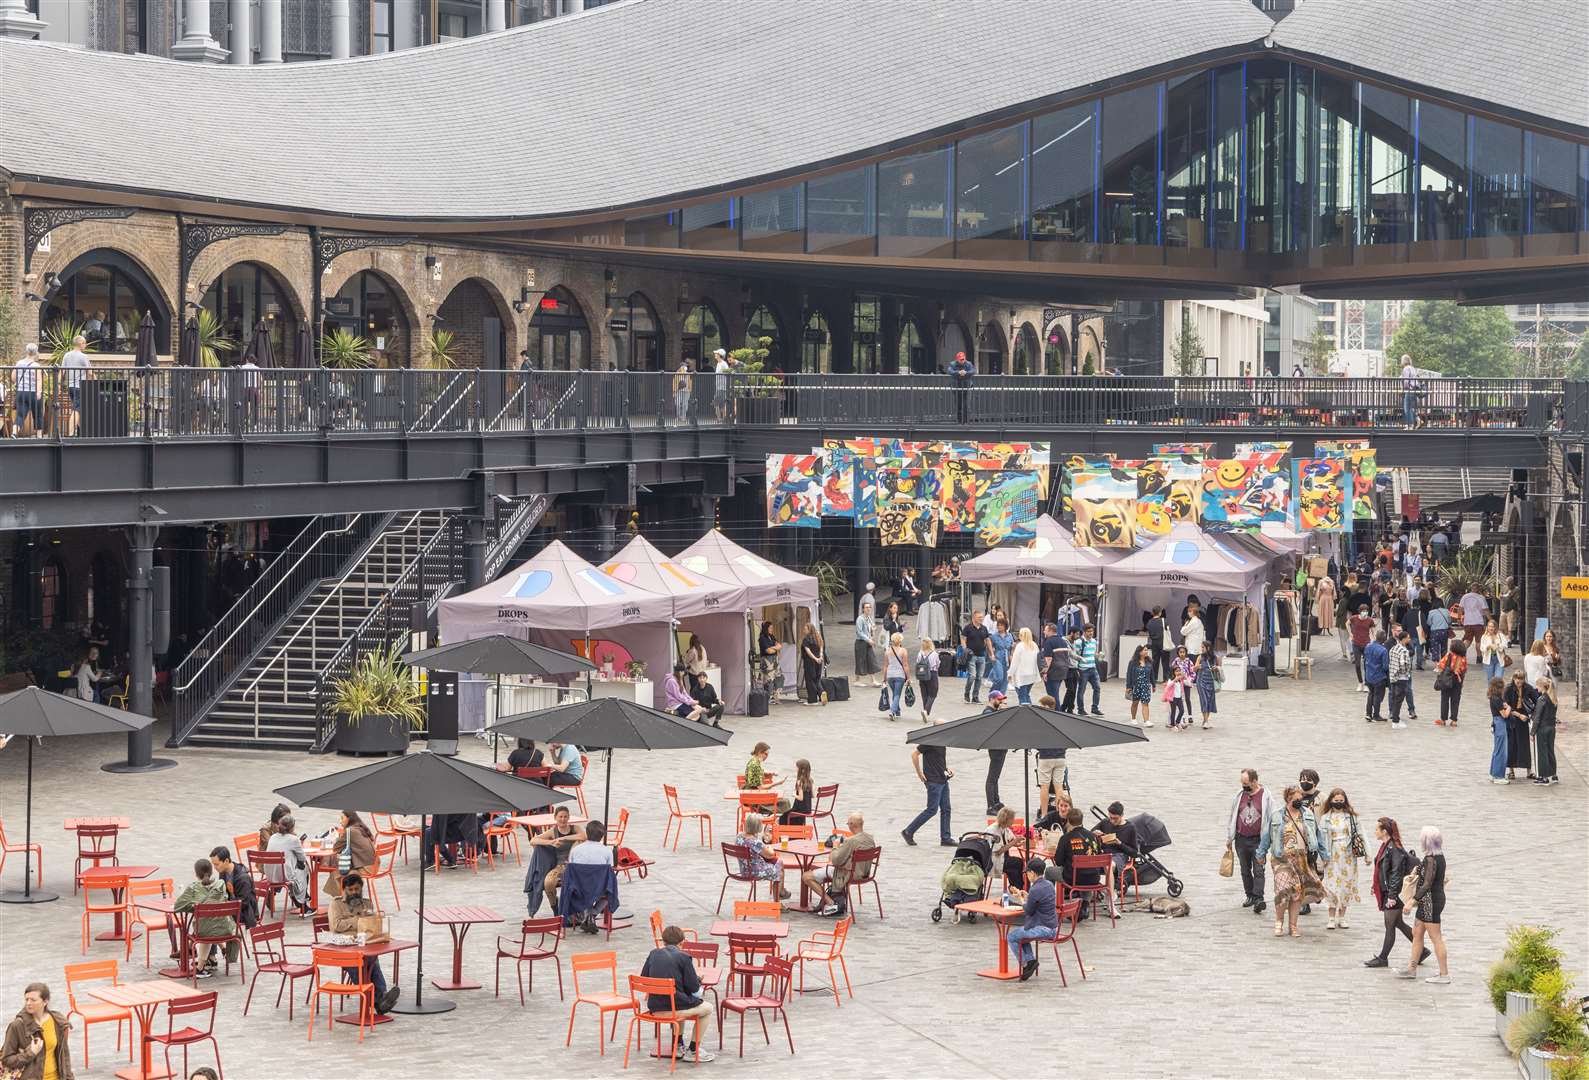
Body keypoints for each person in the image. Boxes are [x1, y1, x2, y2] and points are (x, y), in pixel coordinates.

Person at [1256, 785, 1325, 938]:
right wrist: (1260, 854)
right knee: (1282, 889)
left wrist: (1324, 855)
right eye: (1297, 799)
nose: (1300, 801)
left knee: (1297, 893)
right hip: (1282, 858)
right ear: (1288, 799)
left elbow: (1318, 835)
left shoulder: (1307, 814)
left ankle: (1293, 926)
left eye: (1301, 799)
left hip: (1301, 858)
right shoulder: (1276, 816)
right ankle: (1279, 922)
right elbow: (1267, 837)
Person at [640, 925, 715, 1063]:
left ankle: (678, 1044)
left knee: (682, 1003)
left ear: (663, 942)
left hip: (655, 1008)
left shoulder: (653, 954)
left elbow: (644, 979)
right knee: (707, 1008)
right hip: (674, 1009)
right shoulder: (684, 957)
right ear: (682, 942)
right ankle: (693, 1050)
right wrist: (697, 980)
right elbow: (694, 989)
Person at [328, 872, 401, 1012]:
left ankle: (381, 998)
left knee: (372, 961)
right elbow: (336, 925)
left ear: (361, 888)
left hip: (364, 945)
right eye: (350, 890)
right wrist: (359, 921)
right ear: (344, 890)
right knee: (358, 965)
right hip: (344, 948)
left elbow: (372, 925)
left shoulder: (367, 903)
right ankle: (378, 1001)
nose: (354, 893)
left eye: (357, 889)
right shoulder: (336, 904)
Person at [1365, 818, 1430, 970]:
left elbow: (1395, 873)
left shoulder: (1394, 849)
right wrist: (1376, 885)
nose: (1375, 831)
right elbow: (1382, 870)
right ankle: (1422, 951)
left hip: (1394, 893)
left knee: (1390, 925)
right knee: (1398, 923)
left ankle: (1383, 958)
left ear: (1384, 832)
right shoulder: (1386, 846)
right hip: (1389, 890)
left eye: (1377, 829)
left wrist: (1392, 896)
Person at [1398, 826, 1450, 984]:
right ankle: (1411, 968)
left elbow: (1427, 884)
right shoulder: (1438, 857)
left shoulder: (1431, 860)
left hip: (1430, 902)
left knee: (1436, 938)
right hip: (1428, 902)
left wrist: (1411, 901)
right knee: (1417, 933)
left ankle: (1444, 975)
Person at [804, 812, 875, 917]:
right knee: (826, 871)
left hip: (847, 874)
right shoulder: (870, 839)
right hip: (864, 873)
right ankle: (833, 899)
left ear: (852, 825)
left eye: (848, 824)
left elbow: (836, 860)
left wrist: (835, 846)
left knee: (806, 876)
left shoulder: (851, 841)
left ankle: (831, 902)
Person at [174, 858, 235, 977]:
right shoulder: (221, 884)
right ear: (212, 871)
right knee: (211, 921)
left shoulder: (193, 888)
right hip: (225, 929)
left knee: (206, 926)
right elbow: (223, 899)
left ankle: (200, 968)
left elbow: (178, 906)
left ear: (196, 874)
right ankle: (221, 949)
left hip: (204, 931)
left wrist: (195, 909)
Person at [1, 982, 74, 1080]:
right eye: (26, 999)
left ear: (45, 1001)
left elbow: (64, 1056)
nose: (28, 1003)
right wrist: (30, 1053)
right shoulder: (17, 1026)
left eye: (33, 1000)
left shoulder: (57, 1021)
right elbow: (6, 1059)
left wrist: (69, 1077)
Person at [1227, 768, 1274, 916]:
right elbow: (1232, 815)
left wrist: (1271, 839)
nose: (1243, 785)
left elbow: (1272, 817)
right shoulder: (1239, 795)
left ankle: (1259, 897)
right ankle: (1250, 895)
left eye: (1246, 783)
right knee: (1245, 870)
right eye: (1242, 782)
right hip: (1241, 839)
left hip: (1258, 840)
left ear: (1254, 781)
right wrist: (1229, 838)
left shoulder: (1266, 796)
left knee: (1259, 869)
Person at [1005, 857, 1058, 982]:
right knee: (1022, 934)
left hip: (1043, 928)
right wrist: (1029, 896)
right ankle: (1030, 961)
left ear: (1032, 873)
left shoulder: (1035, 888)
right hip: (1052, 926)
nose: (1027, 875)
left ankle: (1026, 964)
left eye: (1027, 873)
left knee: (1012, 937)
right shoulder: (1049, 884)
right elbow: (1041, 902)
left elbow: (1028, 910)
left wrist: (1021, 899)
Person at [1315, 789, 1361, 930]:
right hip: (1332, 854)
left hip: (1348, 855)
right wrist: (1320, 861)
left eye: (1341, 801)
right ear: (1331, 801)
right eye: (1336, 801)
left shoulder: (1351, 817)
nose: (1339, 803)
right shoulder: (1325, 818)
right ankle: (1331, 917)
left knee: (1346, 885)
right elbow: (1321, 841)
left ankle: (1342, 917)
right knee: (1331, 885)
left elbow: (1360, 834)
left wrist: (1368, 854)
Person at [902, 724, 954, 847]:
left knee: (946, 809)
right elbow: (914, 754)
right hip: (933, 781)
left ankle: (945, 838)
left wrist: (946, 768)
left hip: (942, 779)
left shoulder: (943, 741)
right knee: (932, 809)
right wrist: (920, 773)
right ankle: (908, 831)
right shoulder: (929, 741)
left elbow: (939, 758)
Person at [528, 805, 581, 913]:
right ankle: (554, 906)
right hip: (560, 866)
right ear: (555, 818)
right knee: (548, 883)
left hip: (576, 865)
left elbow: (583, 836)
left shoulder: (575, 828)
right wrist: (551, 842)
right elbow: (533, 841)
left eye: (565, 816)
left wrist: (564, 838)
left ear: (569, 817)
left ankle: (575, 908)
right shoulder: (553, 831)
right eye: (560, 816)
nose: (563, 819)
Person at [1055, 808, 1103, 916]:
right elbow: (1098, 855)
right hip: (1094, 878)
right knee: (1086, 871)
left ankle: (1050, 903)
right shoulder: (1093, 836)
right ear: (1082, 820)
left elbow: (1058, 861)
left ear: (1068, 821)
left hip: (1074, 878)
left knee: (1049, 872)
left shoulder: (1066, 838)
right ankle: (1085, 904)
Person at [735, 813, 790, 900]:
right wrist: (769, 847)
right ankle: (778, 899)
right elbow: (770, 855)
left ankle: (782, 891)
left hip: (744, 869)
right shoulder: (755, 842)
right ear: (758, 827)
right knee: (779, 867)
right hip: (755, 871)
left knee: (779, 862)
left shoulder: (739, 837)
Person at [265, 815, 312, 916]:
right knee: (304, 869)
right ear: (292, 827)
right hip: (284, 875)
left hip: (270, 874)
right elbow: (302, 858)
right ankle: (302, 903)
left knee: (291, 864)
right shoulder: (293, 839)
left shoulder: (273, 837)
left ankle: (286, 892)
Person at [326, 811, 377, 898]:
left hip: (365, 868)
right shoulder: (361, 827)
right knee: (339, 869)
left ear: (349, 819)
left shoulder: (350, 831)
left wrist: (340, 836)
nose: (340, 821)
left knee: (337, 872)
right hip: (373, 865)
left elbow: (336, 848)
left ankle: (342, 899)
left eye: (342, 818)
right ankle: (342, 897)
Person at [209, 847, 258, 930]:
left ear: (226, 861)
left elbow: (243, 903)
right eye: (213, 864)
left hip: (246, 912)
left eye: (216, 864)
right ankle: (216, 941)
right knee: (208, 914)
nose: (215, 867)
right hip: (231, 907)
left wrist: (225, 905)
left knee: (214, 919)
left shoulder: (243, 878)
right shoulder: (223, 872)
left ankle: (218, 941)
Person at [1502, 670, 1537, 780]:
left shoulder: (1527, 688)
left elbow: (1536, 700)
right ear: (1514, 679)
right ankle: (1511, 771)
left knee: (1524, 744)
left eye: (1521, 680)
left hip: (1524, 718)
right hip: (1512, 718)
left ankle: (1529, 770)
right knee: (1512, 744)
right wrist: (1518, 715)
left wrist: (1532, 714)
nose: (1519, 682)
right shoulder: (1508, 689)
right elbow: (1505, 705)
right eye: (1518, 680)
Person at [1096, 801, 1139, 888]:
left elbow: (1134, 853)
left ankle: (1110, 893)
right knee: (1084, 862)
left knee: (1108, 865)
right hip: (1103, 852)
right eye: (1110, 817)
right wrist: (1096, 833)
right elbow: (1089, 833)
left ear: (1122, 815)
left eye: (1115, 818)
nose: (1112, 821)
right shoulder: (1105, 822)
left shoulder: (1130, 827)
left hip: (1119, 855)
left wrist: (1120, 843)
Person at [1532, 676, 1559, 786]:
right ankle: (1553, 774)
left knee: (1541, 753)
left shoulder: (1542, 699)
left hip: (1542, 729)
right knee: (1550, 751)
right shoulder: (1553, 698)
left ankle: (1543, 777)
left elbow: (1537, 717)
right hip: (1551, 728)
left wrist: (1532, 732)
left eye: (1537, 686)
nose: (1536, 688)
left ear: (1542, 686)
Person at [960, 610, 992, 704]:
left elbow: (987, 640)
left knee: (979, 677)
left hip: (982, 655)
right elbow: (963, 639)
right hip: (971, 656)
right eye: (979, 617)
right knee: (972, 676)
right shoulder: (968, 628)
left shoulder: (984, 628)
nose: (981, 619)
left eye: (982, 617)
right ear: (974, 618)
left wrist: (991, 653)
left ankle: (975, 697)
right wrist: (965, 649)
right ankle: (967, 693)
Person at [12, 344, 43, 438]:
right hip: (33, 392)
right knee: (37, 414)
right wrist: (39, 392)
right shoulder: (36, 365)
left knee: (20, 415)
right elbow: (38, 380)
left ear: (26, 351)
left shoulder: (19, 363)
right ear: (36, 353)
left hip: (21, 392)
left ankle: (14, 432)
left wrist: (19, 383)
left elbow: (13, 377)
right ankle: (39, 436)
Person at [1435, 639, 1468, 727]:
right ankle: (1454, 720)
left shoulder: (1449, 655)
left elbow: (1441, 665)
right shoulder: (1463, 658)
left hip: (1447, 680)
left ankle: (1443, 719)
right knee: (1455, 700)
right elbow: (1464, 670)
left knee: (1444, 699)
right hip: (1458, 680)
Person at [1386, 629, 1414, 728]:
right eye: (1408, 637)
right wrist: (1407, 673)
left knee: (1394, 698)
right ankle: (1396, 721)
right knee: (1399, 699)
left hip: (1393, 676)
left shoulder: (1393, 648)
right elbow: (1403, 665)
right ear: (1404, 639)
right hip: (1401, 678)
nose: (1409, 639)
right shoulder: (1404, 651)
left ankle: (1394, 717)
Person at [1486, 677, 1511, 784]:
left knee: (1497, 749)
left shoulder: (1493, 698)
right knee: (1502, 751)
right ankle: (1498, 776)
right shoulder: (1497, 699)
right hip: (1500, 722)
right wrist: (1509, 707)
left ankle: (1493, 773)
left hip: (1496, 722)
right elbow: (1505, 715)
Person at [1039, 621, 1070, 706]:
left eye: (1045, 630)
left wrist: (1045, 672)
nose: (1044, 632)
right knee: (1055, 693)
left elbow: (1048, 659)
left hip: (1053, 671)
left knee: (1052, 696)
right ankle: (1057, 712)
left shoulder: (1048, 642)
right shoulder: (1063, 641)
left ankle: (1056, 713)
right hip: (1063, 671)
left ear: (1050, 631)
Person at [1362, 630, 1389, 723]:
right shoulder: (1383, 650)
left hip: (1369, 675)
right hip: (1379, 676)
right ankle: (1376, 715)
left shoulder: (1368, 646)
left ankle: (1368, 713)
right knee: (1377, 696)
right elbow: (1385, 666)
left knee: (1371, 694)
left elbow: (1365, 660)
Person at [1164, 645, 1194, 730]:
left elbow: (1192, 672)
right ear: (1178, 653)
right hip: (1176, 683)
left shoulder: (1189, 661)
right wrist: (1171, 679)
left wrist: (1189, 680)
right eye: (1180, 652)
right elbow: (1171, 671)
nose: (1182, 654)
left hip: (1186, 683)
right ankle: (1179, 720)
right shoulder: (1175, 661)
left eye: (1183, 652)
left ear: (1186, 653)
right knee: (1176, 703)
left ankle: (1190, 716)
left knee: (1187, 699)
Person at [1074, 624, 1102, 716]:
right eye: (1089, 631)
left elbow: (1094, 653)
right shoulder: (1079, 642)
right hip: (1083, 670)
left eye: (1092, 631)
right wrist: (1077, 668)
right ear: (1084, 632)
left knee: (1097, 688)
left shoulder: (1094, 641)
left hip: (1093, 668)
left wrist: (1098, 656)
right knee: (1081, 690)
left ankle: (1095, 708)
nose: (1091, 633)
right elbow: (1075, 655)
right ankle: (1080, 709)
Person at [1124, 644, 1154, 727]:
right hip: (1136, 685)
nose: (1146, 651)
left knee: (1145, 703)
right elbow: (1129, 674)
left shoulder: (1149, 662)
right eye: (1145, 650)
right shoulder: (1132, 662)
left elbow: (1152, 674)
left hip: (1146, 686)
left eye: (1147, 650)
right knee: (1135, 703)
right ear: (1140, 652)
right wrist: (1128, 687)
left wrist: (1153, 685)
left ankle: (1146, 721)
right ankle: (1133, 718)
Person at [1009, 627, 1041, 705]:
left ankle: (1026, 713)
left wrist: (1010, 673)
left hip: (1021, 675)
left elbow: (1015, 662)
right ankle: (1030, 711)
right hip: (1032, 674)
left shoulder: (1020, 646)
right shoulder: (1034, 645)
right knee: (1026, 694)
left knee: (1022, 696)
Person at [1348, 604, 1376, 691]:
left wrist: (1374, 641)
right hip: (1356, 643)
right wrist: (1350, 634)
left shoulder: (1370, 620)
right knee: (1357, 664)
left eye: (1366, 611)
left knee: (1366, 664)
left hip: (1366, 644)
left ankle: (1367, 683)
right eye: (1363, 611)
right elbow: (1347, 623)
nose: (1365, 613)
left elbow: (1373, 631)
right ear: (1360, 611)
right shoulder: (1354, 618)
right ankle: (1360, 682)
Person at [884, 630, 911, 720]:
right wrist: (908, 677)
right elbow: (905, 665)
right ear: (900, 641)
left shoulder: (887, 651)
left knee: (894, 693)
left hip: (890, 675)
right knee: (897, 695)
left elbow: (885, 666)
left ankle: (897, 711)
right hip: (900, 675)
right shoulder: (903, 651)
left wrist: (884, 678)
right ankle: (892, 711)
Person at [1192, 641, 1219, 729]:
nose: (1202, 649)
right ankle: (1206, 721)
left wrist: (1216, 668)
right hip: (1201, 682)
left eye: (1203, 647)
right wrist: (1197, 667)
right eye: (1201, 647)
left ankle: (1205, 720)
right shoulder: (1200, 657)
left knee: (1210, 700)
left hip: (1211, 681)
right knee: (1204, 701)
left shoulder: (1215, 658)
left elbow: (1219, 668)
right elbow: (1194, 669)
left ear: (1208, 648)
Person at [798, 625, 826, 707]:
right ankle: (821, 692)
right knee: (817, 679)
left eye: (805, 629)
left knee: (810, 680)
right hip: (819, 662)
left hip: (810, 662)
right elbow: (821, 647)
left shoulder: (806, 639)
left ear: (809, 630)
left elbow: (808, 651)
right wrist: (820, 657)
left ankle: (812, 700)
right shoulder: (817, 637)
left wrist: (815, 658)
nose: (804, 630)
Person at [854, 605, 881, 689]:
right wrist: (868, 639)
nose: (868, 609)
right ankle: (857, 680)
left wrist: (873, 632)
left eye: (869, 607)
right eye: (866, 607)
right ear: (863, 609)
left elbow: (871, 628)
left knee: (871, 659)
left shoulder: (869, 618)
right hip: (861, 642)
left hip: (868, 642)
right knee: (860, 660)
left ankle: (873, 680)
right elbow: (859, 632)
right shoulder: (860, 619)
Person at [914, 637, 940, 721]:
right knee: (933, 693)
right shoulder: (934, 654)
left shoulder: (920, 653)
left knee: (924, 693)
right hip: (932, 674)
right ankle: (926, 711)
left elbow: (917, 663)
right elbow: (937, 664)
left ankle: (925, 710)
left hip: (921, 675)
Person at [781, 759, 814, 825]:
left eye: (797, 767)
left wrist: (794, 795)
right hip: (807, 809)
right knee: (789, 815)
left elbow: (801, 798)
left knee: (783, 817)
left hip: (799, 809)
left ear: (802, 770)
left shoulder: (799, 781)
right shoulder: (810, 780)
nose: (796, 769)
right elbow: (813, 795)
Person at [1143, 605, 1169, 683]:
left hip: (1154, 643)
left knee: (1155, 662)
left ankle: (1154, 678)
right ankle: (1166, 679)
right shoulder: (1163, 621)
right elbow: (1167, 630)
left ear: (1153, 613)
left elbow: (1149, 632)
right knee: (1165, 662)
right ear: (1160, 612)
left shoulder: (1149, 622)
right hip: (1163, 643)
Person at [947, 349, 974, 422]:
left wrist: (965, 373)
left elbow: (973, 371)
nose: (962, 361)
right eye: (960, 359)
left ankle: (965, 421)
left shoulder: (969, 364)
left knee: (966, 405)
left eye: (963, 359)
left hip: (967, 386)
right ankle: (959, 421)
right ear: (957, 359)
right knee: (958, 404)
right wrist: (958, 372)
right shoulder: (952, 364)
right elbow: (950, 371)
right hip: (957, 387)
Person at [1477, 618, 1507, 684]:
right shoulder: (1484, 636)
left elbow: (1505, 645)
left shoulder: (1500, 635)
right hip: (1488, 660)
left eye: (1493, 626)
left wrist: (1498, 645)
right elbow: (1482, 648)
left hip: (1499, 659)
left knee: (1498, 679)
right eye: (1489, 626)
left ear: (1495, 627)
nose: (1491, 628)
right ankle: (1491, 693)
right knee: (1490, 680)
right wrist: (1488, 646)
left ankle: (1498, 693)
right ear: (1487, 627)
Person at [711, 348, 733, 421]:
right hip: (718, 386)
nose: (715, 354)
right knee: (717, 403)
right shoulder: (718, 363)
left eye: (716, 353)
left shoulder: (724, 364)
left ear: (719, 355)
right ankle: (720, 418)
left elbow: (729, 372)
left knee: (721, 403)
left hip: (723, 387)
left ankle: (723, 418)